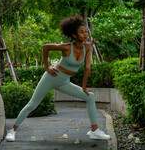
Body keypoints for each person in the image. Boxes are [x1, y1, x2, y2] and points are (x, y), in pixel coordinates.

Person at [6, 14, 110, 142]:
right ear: (74, 35)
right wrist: (46, 67)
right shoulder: (67, 47)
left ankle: (94, 131)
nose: (85, 35)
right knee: (32, 105)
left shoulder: (87, 46)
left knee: (90, 96)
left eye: (85, 32)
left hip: (64, 82)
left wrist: (84, 87)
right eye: (81, 32)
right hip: (51, 78)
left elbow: (87, 68)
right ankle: (12, 131)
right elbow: (46, 47)